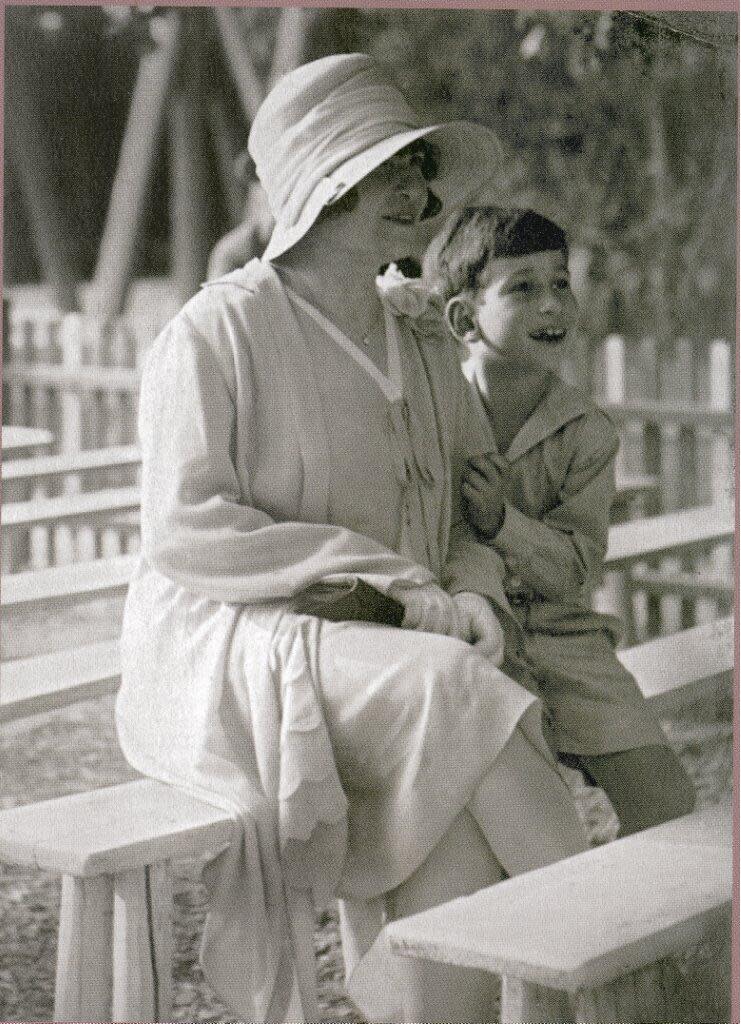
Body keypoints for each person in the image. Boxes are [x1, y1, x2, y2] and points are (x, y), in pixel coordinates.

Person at [116, 58, 588, 1023]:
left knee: (452, 812)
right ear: (321, 188)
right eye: (387, 175)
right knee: (461, 694)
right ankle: (613, 952)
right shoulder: (219, 330)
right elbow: (184, 528)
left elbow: (464, 511)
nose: (417, 195)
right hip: (236, 640)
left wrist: (473, 597)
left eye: (420, 170)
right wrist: (408, 588)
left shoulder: (417, 335)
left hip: (389, 644)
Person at [428, 204, 696, 838]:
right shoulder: (434, 417)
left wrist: (502, 523)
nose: (553, 306)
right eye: (523, 288)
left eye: (560, 283)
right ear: (465, 318)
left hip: (565, 640)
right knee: (512, 833)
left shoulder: (588, 434)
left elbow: (577, 575)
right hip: (463, 642)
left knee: (669, 807)